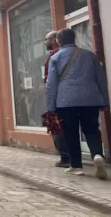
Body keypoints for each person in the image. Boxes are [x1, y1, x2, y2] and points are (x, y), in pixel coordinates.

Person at [46, 28, 108, 180]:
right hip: (90, 100)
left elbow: (51, 85)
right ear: (74, 39)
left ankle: (76, 166)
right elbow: (101, 78)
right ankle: (97, 155)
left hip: (66, 102)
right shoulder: (90, 55)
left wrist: (50, 107)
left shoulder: (56, 58)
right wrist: (104, 100)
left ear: (59, 41)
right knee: (92, 129)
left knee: (70, 133)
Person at [43, 31, 69, 168]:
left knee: (57, 126)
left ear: (54, 39)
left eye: (46, 39)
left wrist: (50, 101)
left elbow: (51, 81)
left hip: (57, 97)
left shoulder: (55, 55)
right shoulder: (57, 54)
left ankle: (66, 157)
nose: (45, 42)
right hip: (65, 96)